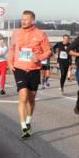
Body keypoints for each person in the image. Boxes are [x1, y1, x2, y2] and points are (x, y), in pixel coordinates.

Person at [8, 10, 53, 138]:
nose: (23, 21)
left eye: (26, 19)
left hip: (34, 69)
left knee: (31, 99)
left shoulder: (40, 34)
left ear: (32, 21)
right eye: (22, 19)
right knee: (23, 97)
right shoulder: (16, 33)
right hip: (20, 68)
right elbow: (11, 49)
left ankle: (28, 122)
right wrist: (10, 63)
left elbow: (49, 51)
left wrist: (39, 57)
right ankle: (23, 127)